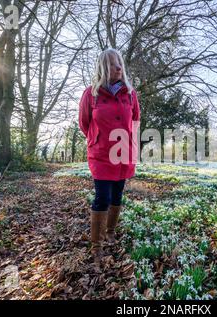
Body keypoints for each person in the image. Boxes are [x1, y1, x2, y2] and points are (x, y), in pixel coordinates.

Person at [78, 48, 140, 267]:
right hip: (101, 155)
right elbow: (84, 124)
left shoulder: (130, 94)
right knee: (102, 197)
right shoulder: (91, 94)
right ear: (104, 67)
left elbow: (135, 121)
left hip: (123, 154)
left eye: (120, 63)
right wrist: (98, 139)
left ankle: (111, 232)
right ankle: (96, 246)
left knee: (117, 196)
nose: (119, 68)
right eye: (114, 64)